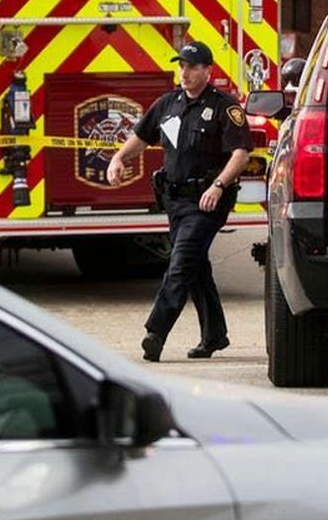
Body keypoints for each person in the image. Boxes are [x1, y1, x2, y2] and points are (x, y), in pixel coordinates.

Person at [106, 40, 251, 362]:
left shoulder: (225, 107)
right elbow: (142, 137)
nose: (184, 72)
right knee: (196, 266)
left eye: (192, 67)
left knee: (181, 262)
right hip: (174, 201)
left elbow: (240, 154)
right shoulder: (168, 103)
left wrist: (218, 185)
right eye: (181, 66)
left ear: (207, 71)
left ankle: (156, 332)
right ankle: (215, 335)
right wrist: (118, 159)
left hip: (207, 201)